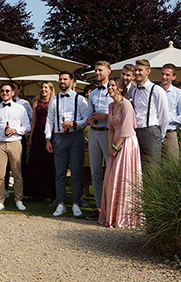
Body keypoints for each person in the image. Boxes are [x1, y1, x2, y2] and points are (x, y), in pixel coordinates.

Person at [99, 77, 143, 229]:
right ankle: (112, 214)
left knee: (124, 176)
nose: (109, 88)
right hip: (115, 142)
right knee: (112, 177)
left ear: (120, 89)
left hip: (127, 143)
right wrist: (111, 147)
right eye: (109, 85)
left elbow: (126, 130)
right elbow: (110, 128)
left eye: (112, 85)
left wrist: (116, 147)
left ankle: (125, 216)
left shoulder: (126, 105)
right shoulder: (111, 106)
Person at [45, 72, 90, 217]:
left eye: (65, 79)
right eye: (60, 79)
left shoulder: (80, 99)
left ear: (72, 82)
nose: (62, 81)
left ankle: (76, 203)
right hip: (59, 137)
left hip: (75, 136)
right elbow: (49, 120)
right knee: (60, 172)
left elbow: (87, 119)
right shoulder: (54, 100)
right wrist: (47, 139)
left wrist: (74, 123)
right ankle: (61, 203)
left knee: (77, 172)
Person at [0, 83, 31, 213]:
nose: (4, 93)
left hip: (15, 142)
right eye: (2, 91)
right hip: (0, 143)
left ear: (13, 92)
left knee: (17, 174)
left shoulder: (20, 108)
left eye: (7, 91)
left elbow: (27, 127)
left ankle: (18, 200)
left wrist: (15, 130)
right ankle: (0, 201)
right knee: (0, 174)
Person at [84, 61, 114, 220]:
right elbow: (88, 113)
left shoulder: (115, 90)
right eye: (95, 70)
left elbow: (121, 114)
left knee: (110, 172)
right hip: (94, 133)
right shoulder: (93, 93)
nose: (97, 73)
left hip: (108, 133)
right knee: (95, 173)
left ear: (108, 72)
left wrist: (106, 117)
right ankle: (99, 207)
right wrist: (88, 119)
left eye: (100, 70)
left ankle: (111, 208)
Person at [132, 59, 169, 168]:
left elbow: (164, 116)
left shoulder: (157, 90)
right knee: (138, 167)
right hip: (136, 132)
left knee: (153, 168)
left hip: (151, 132)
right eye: (135, 70)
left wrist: (160, 136)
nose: (137, 73)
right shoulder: (134, 91)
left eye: (140, 70)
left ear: (148, 71)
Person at [25, 81, 55, 202]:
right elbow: (33, 122)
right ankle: (32, 192)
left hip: (49, 134)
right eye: (42, 87)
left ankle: (47, 193)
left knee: (47, 163)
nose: (43, 89)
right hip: (37, 133)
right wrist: (30, 138)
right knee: (34, 162)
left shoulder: (53, 102)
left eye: (46, 87)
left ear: (51, 90)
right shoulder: (36, 103)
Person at [160, 63, 181, 160]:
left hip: (170, 134)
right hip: (154, 133)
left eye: (167, 75)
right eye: (163, 74)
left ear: (174, 77)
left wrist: (166, 119)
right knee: (152, 167)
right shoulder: (153, 91)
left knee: (172, 166)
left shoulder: (179, 94)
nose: (164, 77)